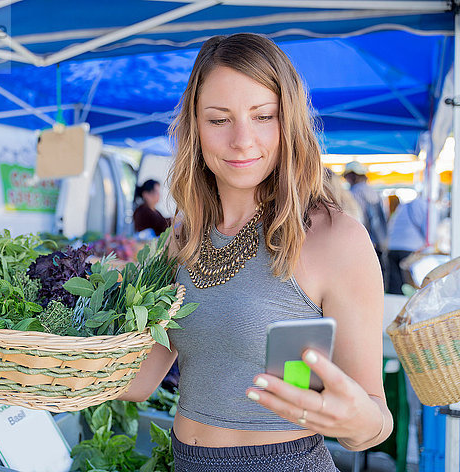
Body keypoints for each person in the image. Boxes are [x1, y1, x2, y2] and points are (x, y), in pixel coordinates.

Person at [120, 33, 392, 471]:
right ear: (195, 127)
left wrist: (359, 421)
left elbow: (374, 420)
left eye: (264, 115)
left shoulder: (334, 238)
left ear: (290, 122)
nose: (242, 140)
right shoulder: (184, 236)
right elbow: (139, 381)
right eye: (219, 119)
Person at [343, 161, 388, 276]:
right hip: (378, 238)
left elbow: (357, 217)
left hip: (365, 237)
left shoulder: (355, 191)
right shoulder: (372, 190)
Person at [386, 197, 427, 294]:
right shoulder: (424, 206)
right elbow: (428, 231)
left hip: (392, 247)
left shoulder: (403, 207)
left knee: (395, 286)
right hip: (410, 248)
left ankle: (395, 307)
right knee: (413, 285)